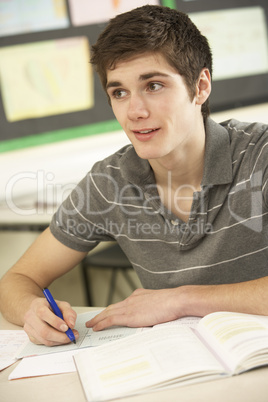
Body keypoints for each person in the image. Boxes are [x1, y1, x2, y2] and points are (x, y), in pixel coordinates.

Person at [0, 5, 268, 346]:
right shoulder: (109, 183)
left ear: (200, 87)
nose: (135, 112)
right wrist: (30, 310)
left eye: (153, 86)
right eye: (119, 93)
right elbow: (17, 279)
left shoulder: (261, 155)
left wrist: (180, 300)